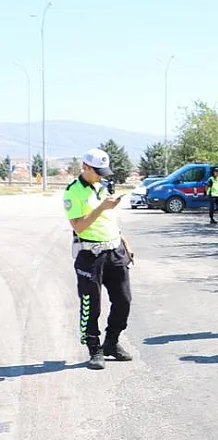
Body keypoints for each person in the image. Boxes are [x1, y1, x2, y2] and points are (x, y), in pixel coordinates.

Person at [63, 148, 134, 370]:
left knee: (124, 300)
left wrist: (124, 241)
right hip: (89, 256)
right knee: (91, 305)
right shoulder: (72, 192)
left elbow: (109, 219)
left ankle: (111, 342)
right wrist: (102, 207)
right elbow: (79, 225)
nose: (102, 175)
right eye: (98, 171)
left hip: (114, 251)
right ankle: (94, 349)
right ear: (85, 167)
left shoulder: (102, 188)